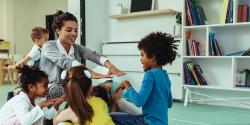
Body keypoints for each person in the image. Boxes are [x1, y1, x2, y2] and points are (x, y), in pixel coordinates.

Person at [40, 10, 125, 99]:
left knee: (113, 87)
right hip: (53, 90)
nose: (74, 33)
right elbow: (65, 61)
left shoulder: (76, 47)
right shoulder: (48, 46)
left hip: (72, 90)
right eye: (69, 30)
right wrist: (88, 72)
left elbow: (92, 55)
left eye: (76, 30)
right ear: (58, 30)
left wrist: (110, 65)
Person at [112, 32, 178, 125]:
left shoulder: (150, 75)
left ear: (152, 57)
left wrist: (127, 84)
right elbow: (169, 103)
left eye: (142, 55)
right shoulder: (165, 75)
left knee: (112, 116)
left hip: (147, 122)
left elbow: (139, 101)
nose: (141, 59)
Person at [0, 65, 64, 125]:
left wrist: (56, 105)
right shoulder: (20, 100)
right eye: (45, 85)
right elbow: (25, 122)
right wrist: (41, 105)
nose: (47, 89)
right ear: (31, 87)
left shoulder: (36, 100)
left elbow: (47, 116)